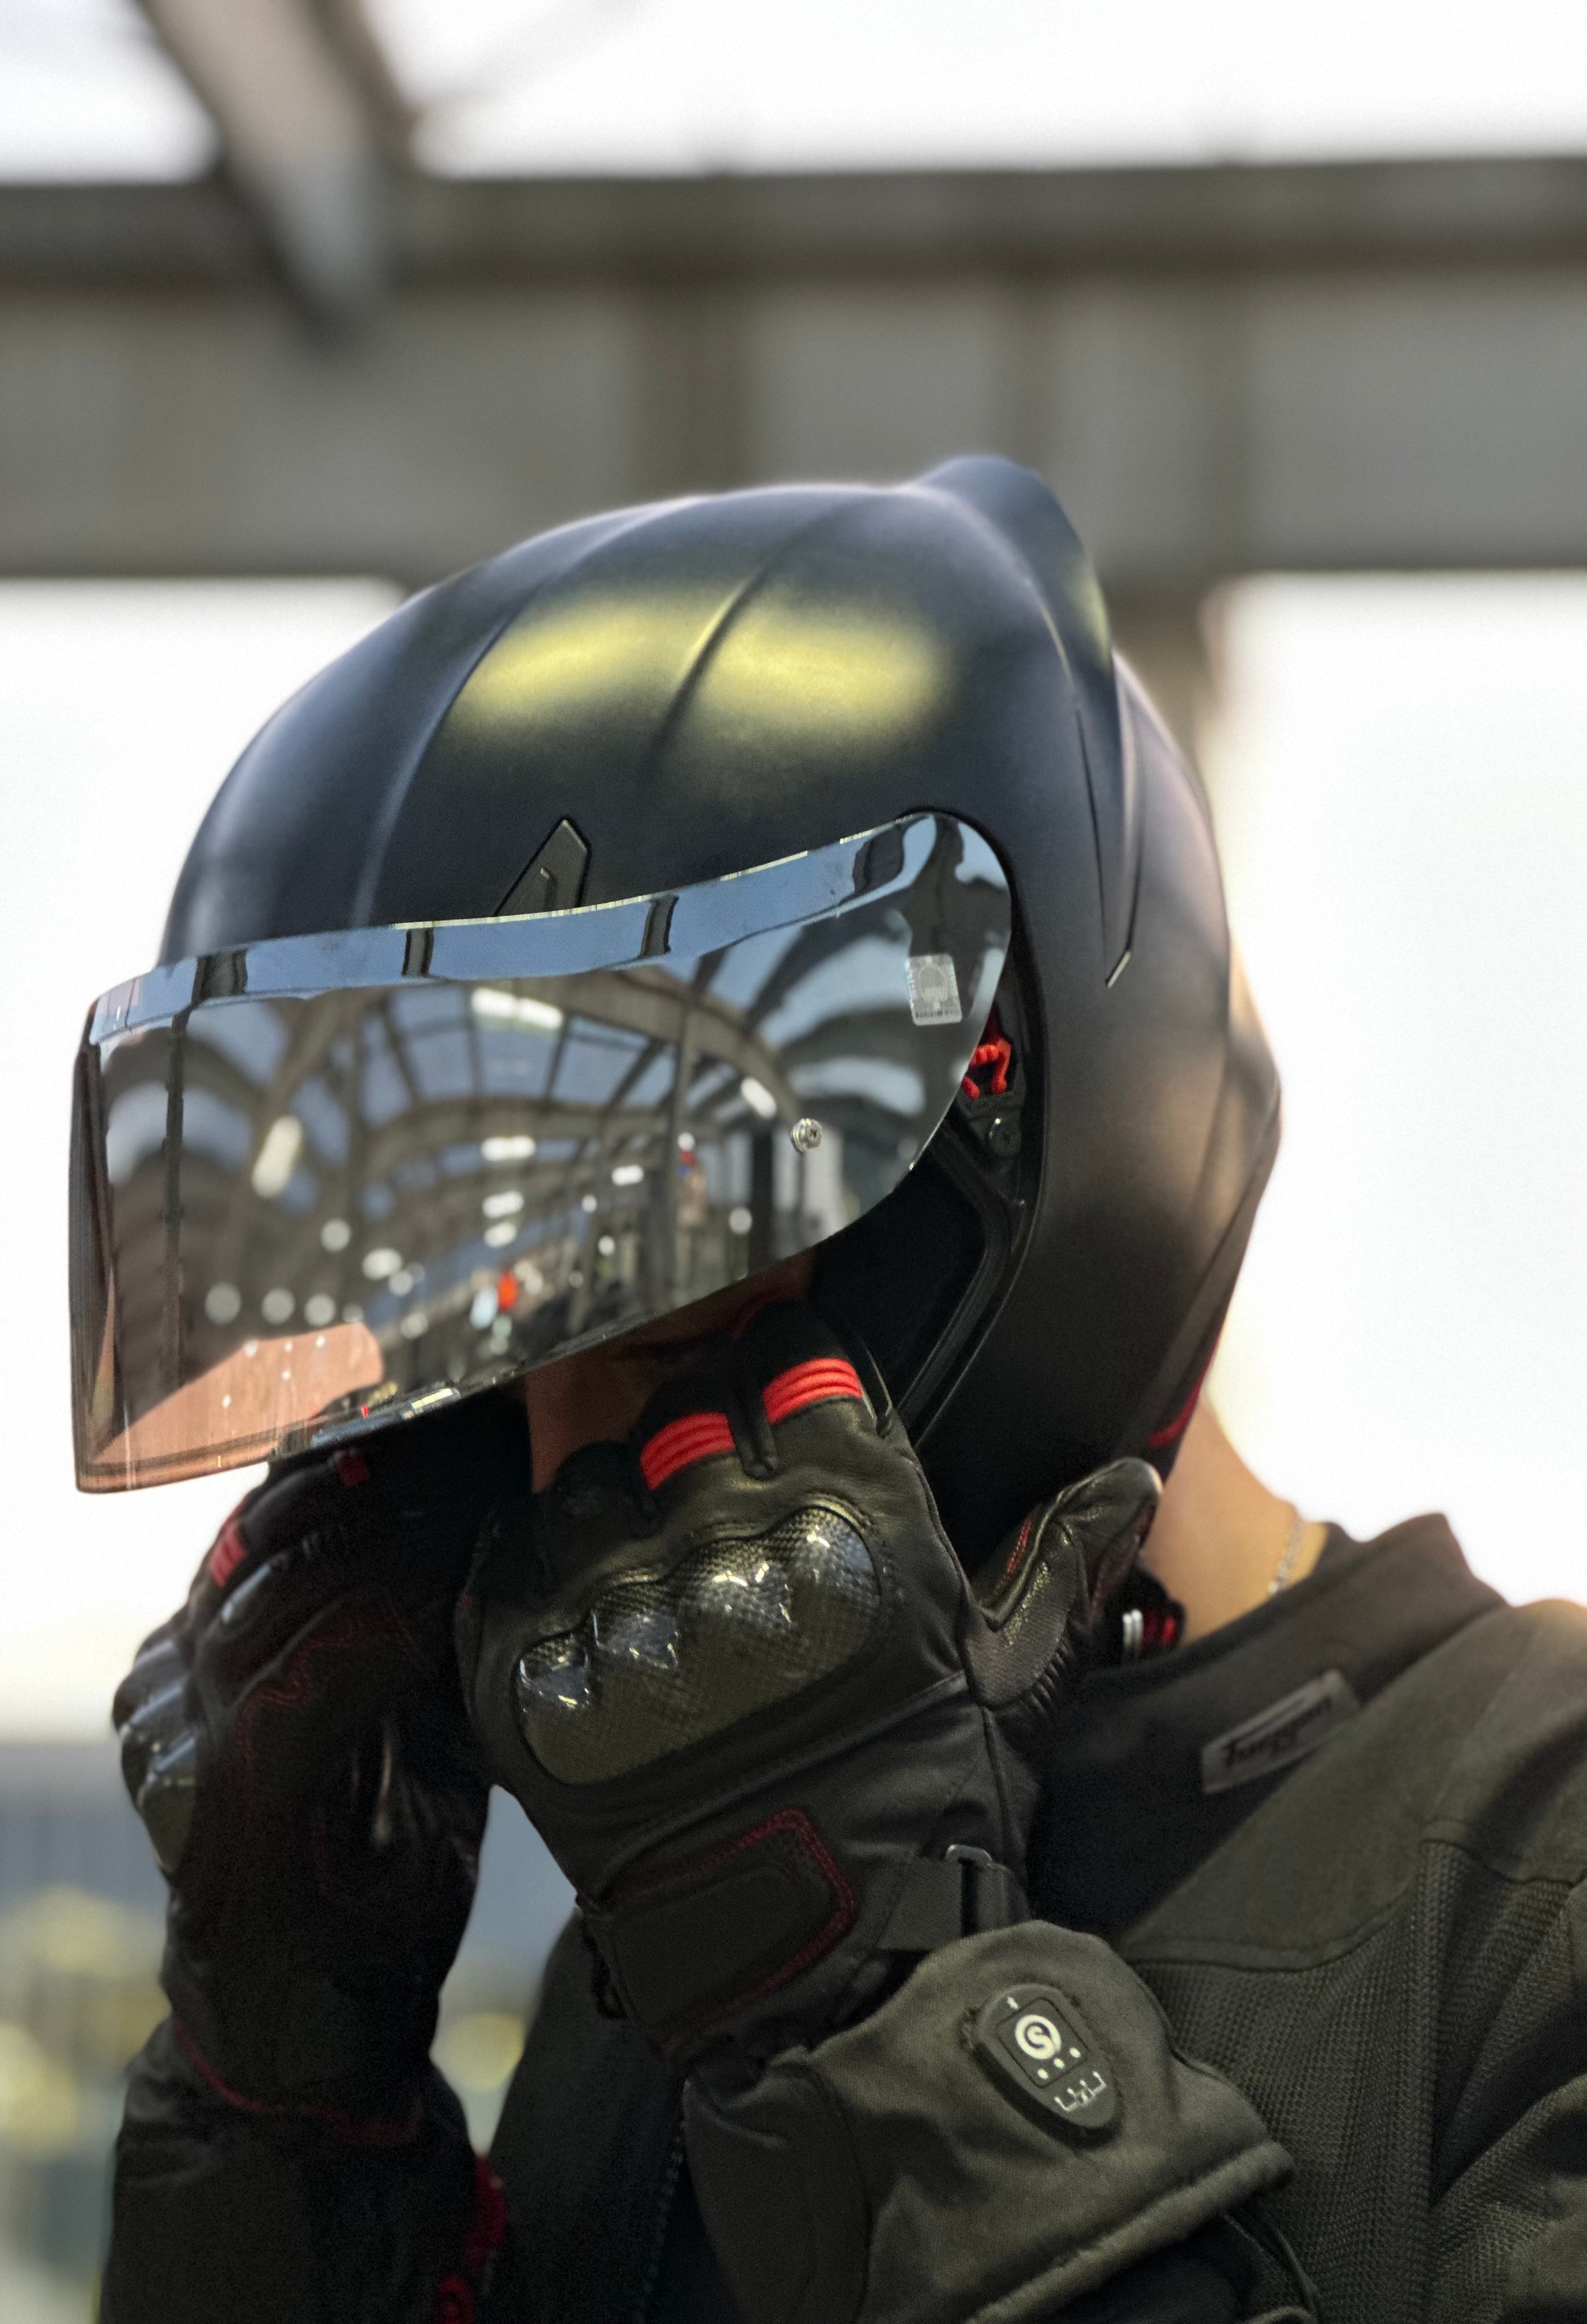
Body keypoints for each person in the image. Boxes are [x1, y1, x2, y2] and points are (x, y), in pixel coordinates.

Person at [83, 460, 1587, 2323]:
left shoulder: (1534, 1861)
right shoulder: (704, 1895)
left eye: (651, 1285)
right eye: (475, 1346)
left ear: (1028, 1141)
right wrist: (285, 2126)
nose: (555, 1451)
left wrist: (901, 2042)